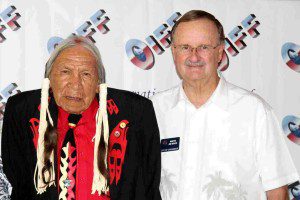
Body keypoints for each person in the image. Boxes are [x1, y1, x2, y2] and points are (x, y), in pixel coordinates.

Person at [151, 10, 299, 200]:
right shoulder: (154, 109)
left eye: (203, 47)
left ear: (220, 52)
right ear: (173, 52)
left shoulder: (255, 111)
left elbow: (277, 192)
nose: (194, 56)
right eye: (185, 47)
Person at [1, 35, 161, 200]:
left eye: (86, 74)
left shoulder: (135, 113)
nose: (75, 84)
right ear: (49, 78)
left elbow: (149, 184)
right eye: (65, 72)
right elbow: (18, 178)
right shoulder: (22, 112)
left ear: (99, 84)